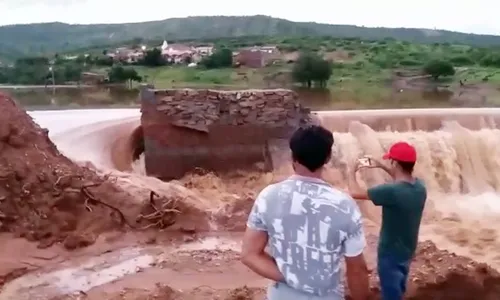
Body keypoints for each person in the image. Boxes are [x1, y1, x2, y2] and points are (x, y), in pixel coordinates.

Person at [241, 125, 370, 300]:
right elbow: (357, 270)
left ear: (293, 156)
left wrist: (291, 278)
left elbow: (250, 255)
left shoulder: (268, 196)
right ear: (328, 157)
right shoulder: (345, 205)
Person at [349, 141, 427, 300]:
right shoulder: (420, 187)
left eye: (391, 161)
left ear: (395, 163)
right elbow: (401, 178)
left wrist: (352, 170)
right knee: (399, 289)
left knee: (391, 294)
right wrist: (381, 166)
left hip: (389, 253)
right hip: (407, 249)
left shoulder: (391, 192)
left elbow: (354, 192)